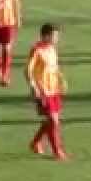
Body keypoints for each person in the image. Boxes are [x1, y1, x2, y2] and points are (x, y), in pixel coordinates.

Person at [26, 23, 70, 160]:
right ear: (45, 36)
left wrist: (62, 79)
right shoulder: (36, 50)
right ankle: (57, 152)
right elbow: (28, 71)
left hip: (54, 88)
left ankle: (35, 142)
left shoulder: (52, 49)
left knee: (52, 120)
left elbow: (55, 67)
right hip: (43, 90)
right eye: (54, 36)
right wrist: (33, 86)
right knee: (54, 120)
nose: (57, 38)